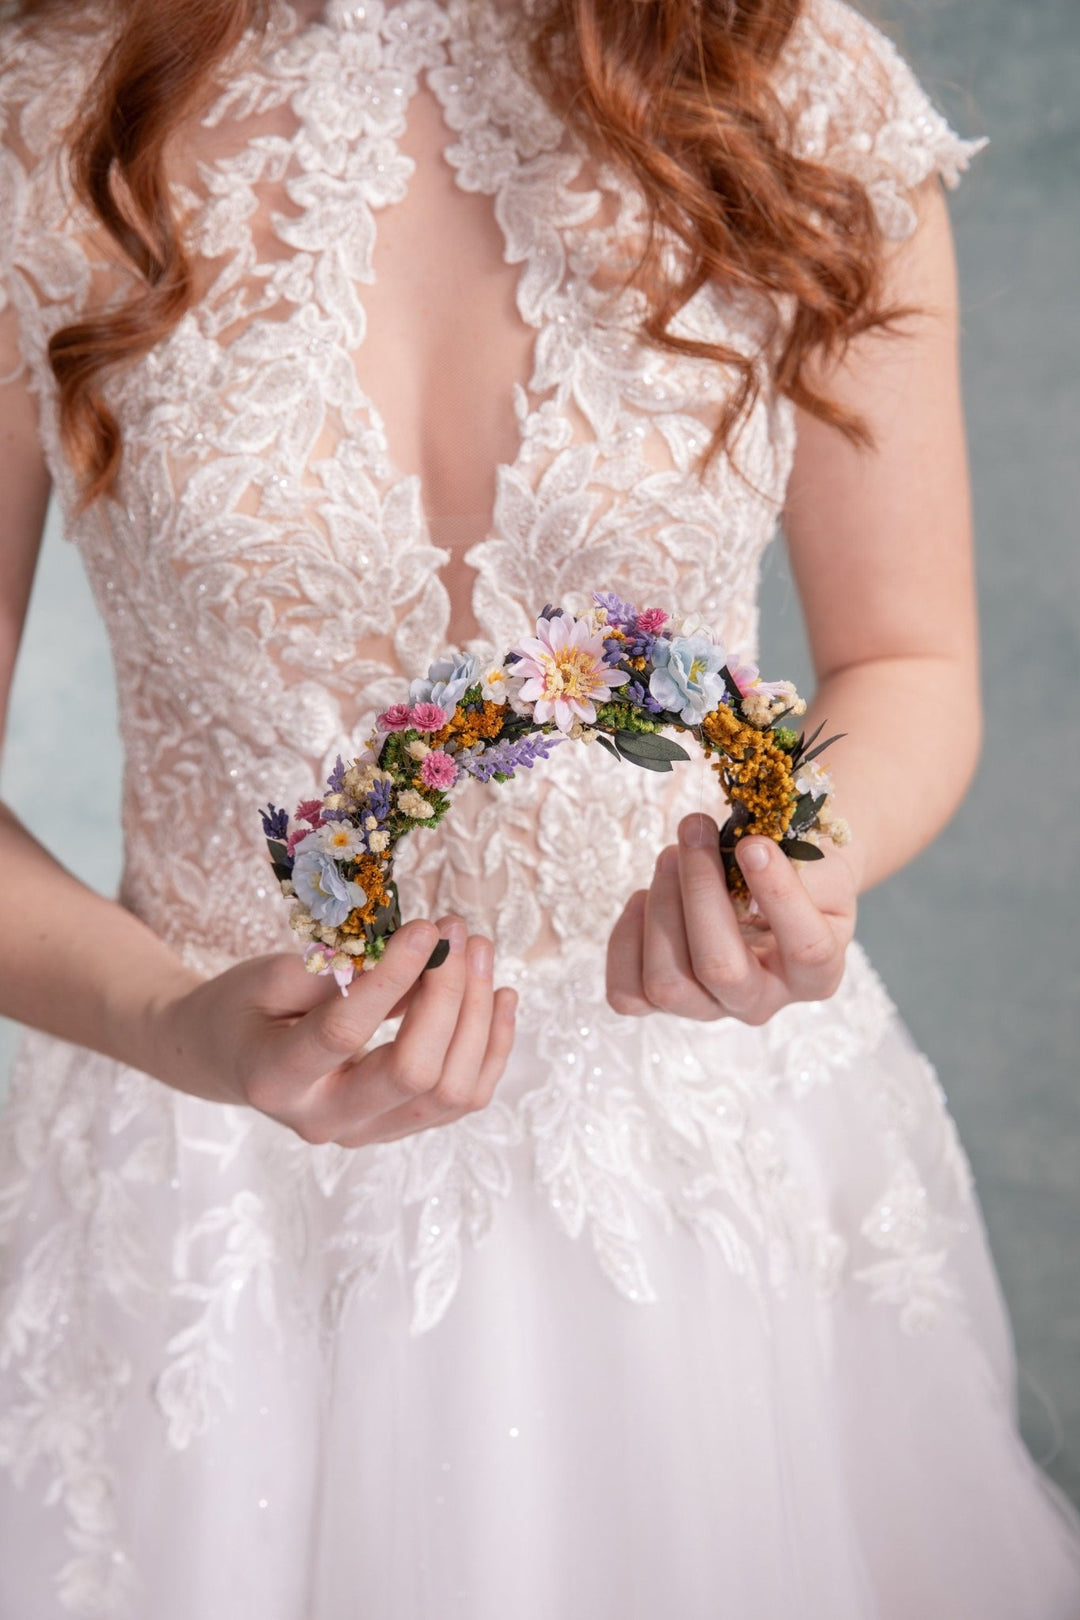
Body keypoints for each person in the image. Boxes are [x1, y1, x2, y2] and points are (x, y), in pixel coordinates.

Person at [1, 0, 1078, 1614]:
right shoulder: (45, 115)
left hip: (713, 1152)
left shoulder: (795, 86)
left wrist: (791, 858)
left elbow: (909, 657)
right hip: (208, 1192)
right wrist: (184, 1030)